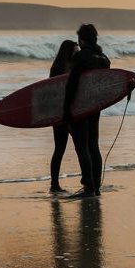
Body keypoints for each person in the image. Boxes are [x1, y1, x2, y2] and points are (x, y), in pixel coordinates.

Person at [62, 24, 110, 199]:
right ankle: (96, 186)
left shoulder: (81, 56)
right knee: (93, 145)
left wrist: (66, 109)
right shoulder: (104, 58)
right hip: (96, 107)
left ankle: (88, 187)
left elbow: (72, 84)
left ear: (81, 40)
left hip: (81, 107)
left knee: (82, 146)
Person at [49, 39, 78, 193]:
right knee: (76, 147)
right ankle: (55, 184)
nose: (77, 53)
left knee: (59, 149)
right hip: (64, 114)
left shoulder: (58, 67)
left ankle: (54, 185)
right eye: (75, 51)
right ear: (69, 52)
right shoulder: (61, 68)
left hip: (59, 113)